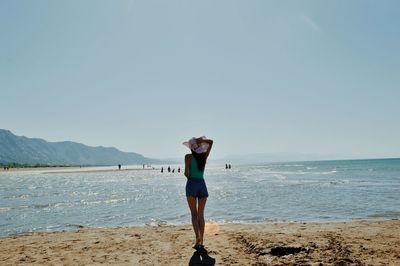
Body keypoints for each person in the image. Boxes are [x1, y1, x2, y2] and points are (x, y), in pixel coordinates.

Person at [183, 136, 213, 251]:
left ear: (190, 147)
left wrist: (190, 176)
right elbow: (211, 142)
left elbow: (186, 173)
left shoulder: (188, 157)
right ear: (199, 147)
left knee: (194, 214)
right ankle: (202, 241)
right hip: (202, 184)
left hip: (191, 184)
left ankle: (197, 238)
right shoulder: (204, 157)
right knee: (201, 215)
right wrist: (200, 141)